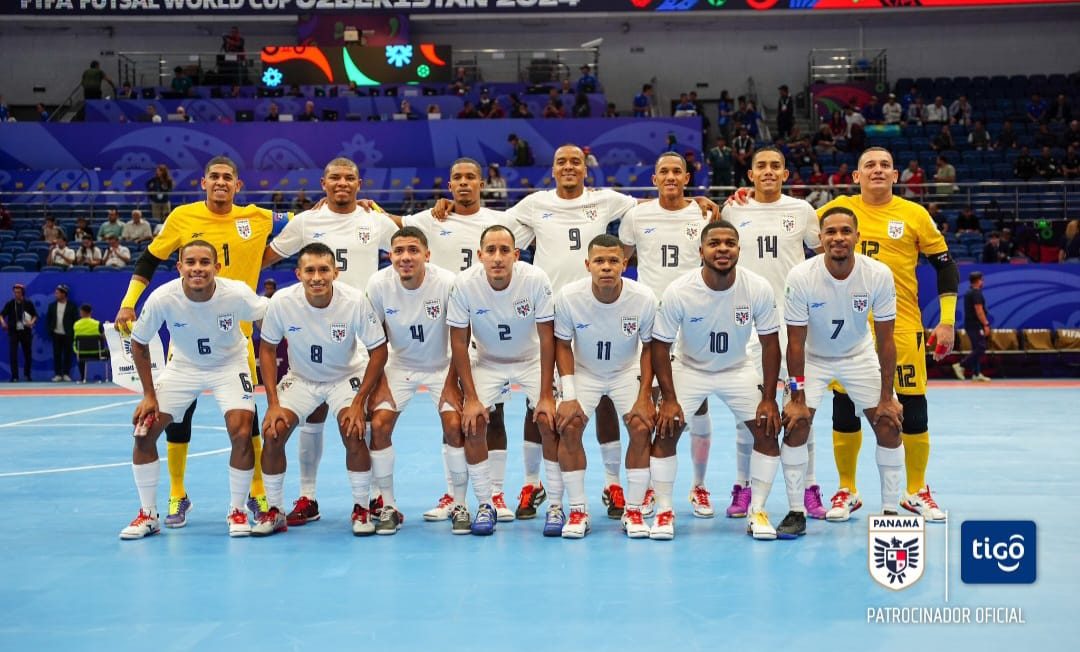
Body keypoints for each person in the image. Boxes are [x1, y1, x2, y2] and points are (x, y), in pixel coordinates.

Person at [115, 156, 288, 530]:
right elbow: (148, 259)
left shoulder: (257, 218)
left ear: (238, 185)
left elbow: (299, 223)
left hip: (234, 344)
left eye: (228, 177)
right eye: (215, 177)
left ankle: (250, 497)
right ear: (203, 182)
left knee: (246, 426)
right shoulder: (181, 222)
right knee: (172, 423)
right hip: (186, 353)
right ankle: (172, 496)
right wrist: (129, 302)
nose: (221, 182)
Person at [816, 148, 956, 522]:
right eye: (869, 166)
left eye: (884, 166)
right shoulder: (837, 211)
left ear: (896, 175)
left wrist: (947, 321)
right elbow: (788, 226)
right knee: (845, 408)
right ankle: (847, 488)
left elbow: (945, 267)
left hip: (903, 327)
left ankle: (915, 490)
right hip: (848, 329)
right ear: (855, 176)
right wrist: (741, 200)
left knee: (912, 407)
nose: (877, 170)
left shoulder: (914, 214)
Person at [261, 158, 397, 526]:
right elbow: (265, 256)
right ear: (323, 182)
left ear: (359, 183)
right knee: (308, 420)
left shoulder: (373, 220)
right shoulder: (306, 222)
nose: (341, 183)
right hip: (311, 332)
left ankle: (367, 502)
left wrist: (386, 211)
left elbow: (410, 239)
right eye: (334, 177)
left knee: (359, 426)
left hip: (357, 333)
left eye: (349, 178)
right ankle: (305, 498)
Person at [119, 241, 269, 540]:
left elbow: (270, 316)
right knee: (143, 432)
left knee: (242, 432)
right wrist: (149, 395)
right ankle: (148, 514)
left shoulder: (236, 293)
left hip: (229, 364)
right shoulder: (164, 297)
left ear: (217, 267)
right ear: (179, 268)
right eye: (190, 262)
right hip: (183, 367)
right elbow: (138, 341)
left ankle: (236, 509)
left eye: (204, 262)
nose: (197, 268)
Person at [649, 220, 781, 540]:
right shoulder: (680, 290)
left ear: (738, 249)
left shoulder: (757, 287)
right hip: (690, 368)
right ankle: (665, 509)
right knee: (665, 432)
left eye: (730, 243)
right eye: (715, 243)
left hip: (737, 369)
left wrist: (769, 397)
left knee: (767, 430)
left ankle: (758, 510)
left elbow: (770, 344)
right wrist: (668, 399)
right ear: (701, 251)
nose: (722, 249)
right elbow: (660, 346)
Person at [252, 243, 389, 537]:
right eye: (310, 270)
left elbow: (378, 351)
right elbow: (266, 350)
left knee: (353, 430)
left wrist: (358, 402)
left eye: (324, 270)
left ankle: (361, 507)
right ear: (298, 273)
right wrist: (273, 403)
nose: (317, 277)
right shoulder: (282, 302)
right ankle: (275, 510)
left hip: (345, 376)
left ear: (335, 272)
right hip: (301, 378)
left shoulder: (354, 301)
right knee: (273, 431)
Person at [783, 207, 905, 527]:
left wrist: (886, 395)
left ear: (857, 237)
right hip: (812, 358)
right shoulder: (801, 276)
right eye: (831, 232)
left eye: (845, 231)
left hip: (857, 355)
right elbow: (794, 343)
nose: (838, 238)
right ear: (820, 239)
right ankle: (796, 511)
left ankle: (890, 511)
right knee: (796, 425)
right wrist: (796, 398)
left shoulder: (877, 274)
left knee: (889, 424)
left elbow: (886, 340)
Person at [720, 147, 824, 519]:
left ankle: (810, 487)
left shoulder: (802, 211)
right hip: (747, 323)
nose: (768, 171)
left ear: (785, 173)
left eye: (774, 166)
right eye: (761, 166)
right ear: (749, 175)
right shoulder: (734, 209)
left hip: (794, 322)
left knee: (801, 410)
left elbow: (824, 251)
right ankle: (742, 487)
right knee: (748, 413)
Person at [447, 225, 557, 535]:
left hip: (532, 360)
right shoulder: (465, 284)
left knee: (550, 420)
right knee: (474, 422)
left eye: (504, 251)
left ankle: (557, 505)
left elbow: (548, 339)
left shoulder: (534, 279)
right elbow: (458, 342)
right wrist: (470, 398)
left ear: (516, 255)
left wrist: (547, 393)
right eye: (491, 251)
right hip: (488, 362)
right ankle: (486, 502)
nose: (497, 258)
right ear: (479, 255)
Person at [552, 234, 657, 538]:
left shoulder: (644, 298)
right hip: (585, 372)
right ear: (587, 265)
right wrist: (569, 394)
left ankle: (634, 511)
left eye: (613, 261)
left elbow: (650, 348)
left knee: (640, 427)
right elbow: (562, 345)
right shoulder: (569, 297)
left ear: (625, 264)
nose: (607, 267)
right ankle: (578, 511)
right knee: (569, 426)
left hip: (626, 371)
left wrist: (644, 396)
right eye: (599, 261)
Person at [366, 228, 460, 534]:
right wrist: (379, 381)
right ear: (390, 255)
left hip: (443, 364)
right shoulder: (379, 284)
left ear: (427, 255)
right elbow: (374, 337)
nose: (406, 257)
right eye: (399, 251)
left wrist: (451, 382)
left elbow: (462, 335)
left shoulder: (447, 283)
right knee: (378, 425)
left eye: (413, 250)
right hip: (399, 365)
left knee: (455, 426)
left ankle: (458, 504)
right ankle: (387, 505)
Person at [953, 271, 991, 382]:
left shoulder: (969, 292)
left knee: (976, 348)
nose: (983, 282)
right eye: (982, 280)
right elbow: (979, 311)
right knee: (981, 347)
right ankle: (960, 365)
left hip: (970, 324)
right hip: (975, 325)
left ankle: (976, 373)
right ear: (978, 280)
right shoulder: (976, 293)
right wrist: (986, 324)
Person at [1, 283, 37, 382]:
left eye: (18, 292)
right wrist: (3, 323)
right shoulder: (10, 303)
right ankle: (14, 376)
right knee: (13, 354)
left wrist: (31, 322)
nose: (16, 294)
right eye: (15, 292)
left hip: (26, 331)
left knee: (27, 354)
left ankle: (27, 375)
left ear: (23, 293)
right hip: (13, 332)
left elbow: (35, 315)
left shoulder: (28, 303)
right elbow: (1, 315)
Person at [46, 284, 77, 382]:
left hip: (68, 334)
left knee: (67, 354)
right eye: (55, 293)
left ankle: (66, 374)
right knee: (57, 354)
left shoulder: (72, 306)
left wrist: (72, 332)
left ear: (64, 294)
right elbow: (48, 319)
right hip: (56, 334)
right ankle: (58, 374)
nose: (56, 294)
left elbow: (75, 320)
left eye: (58, 293)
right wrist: (50, 330)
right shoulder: (52, 306)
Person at [72, 303, 104, 383]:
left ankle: (83, 378)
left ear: (82, 312)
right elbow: (103, 337)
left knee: (80, 356)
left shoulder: (76, 325)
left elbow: (75, 338)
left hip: (81, 352)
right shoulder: (97, 324)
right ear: (90, 312)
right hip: (97, 353)